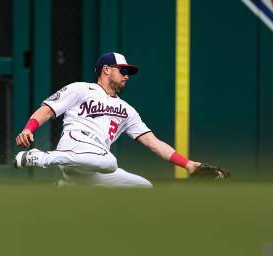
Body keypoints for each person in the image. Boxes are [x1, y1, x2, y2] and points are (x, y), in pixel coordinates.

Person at [14, 52, 201, 187]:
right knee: (110, 162)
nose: (127, 76)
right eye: (122, 70)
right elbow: (47, 110)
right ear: (106, 69)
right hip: (76, 143)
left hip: (93, 162)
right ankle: (42, 157)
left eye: (128, 73)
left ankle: (66, 185)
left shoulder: (128, 110)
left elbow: (154, 143)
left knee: (143, 187)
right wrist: (28, 128)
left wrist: (188, 164)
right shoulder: (82, 89)